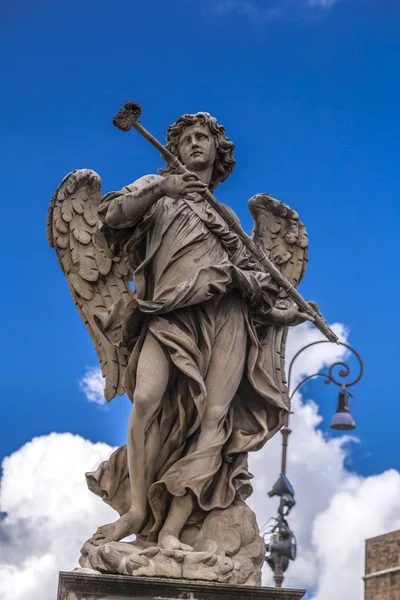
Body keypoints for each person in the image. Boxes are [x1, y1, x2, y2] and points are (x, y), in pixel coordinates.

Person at [88, 112, 311, 551]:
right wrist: (162, 187)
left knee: (215, 420)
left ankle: (173, 528)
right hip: (168, 312)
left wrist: (284, 313)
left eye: (202, 137)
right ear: (174, 148)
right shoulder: (157, 192)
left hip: (225, 318)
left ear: (217, 150)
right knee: (148, 399)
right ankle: (136, 510)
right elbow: (111, 215)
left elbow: (257, 283)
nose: (194, 143)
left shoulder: (225, 216)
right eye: (186, 137)